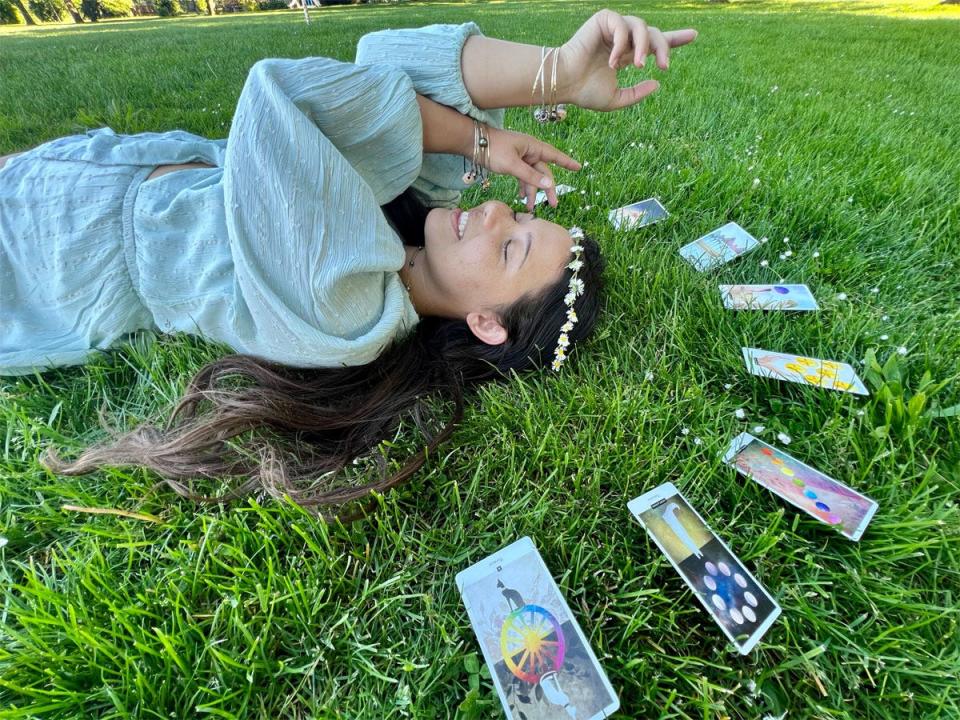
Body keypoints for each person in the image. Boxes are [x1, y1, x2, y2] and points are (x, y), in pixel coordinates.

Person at [0, 10, 697, 516]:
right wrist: (558, 72)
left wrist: (481, 141)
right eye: (518, 214)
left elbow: (293, 96)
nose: (492, 213)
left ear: (486, 323)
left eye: (509, 244)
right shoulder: (402, 228)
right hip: (108, 164)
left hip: (52, 251)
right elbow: (384, 57)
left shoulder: (351, 303)